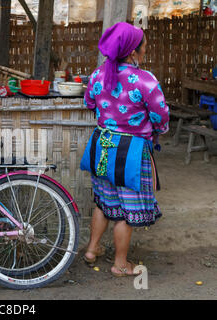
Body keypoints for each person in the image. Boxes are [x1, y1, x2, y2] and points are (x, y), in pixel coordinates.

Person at [81, 22, 169, 277]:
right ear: (133, 52)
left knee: (104, 202)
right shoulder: (145, 81)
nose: (145, 49)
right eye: (143, 45)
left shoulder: (98, 74)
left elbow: (89, 102)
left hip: (102, 145)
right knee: (126, 210)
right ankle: (120, 264)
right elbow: (161, 118)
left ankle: (91, 249)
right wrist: (156, 132)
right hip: (130, 152)